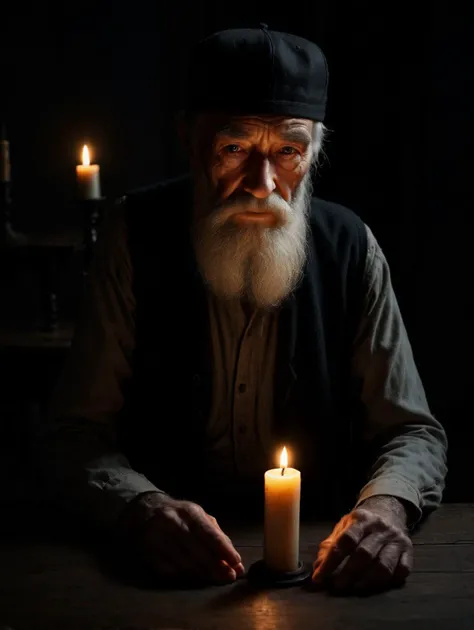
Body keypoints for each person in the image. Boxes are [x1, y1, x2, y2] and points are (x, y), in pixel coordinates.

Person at [38, 25, 447, 594]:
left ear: (315, 151)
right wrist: (139, 506)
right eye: (234, 149)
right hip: (165, 576)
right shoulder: (135, 236)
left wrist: (387, 509)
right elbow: (71, 433)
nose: (261, 184)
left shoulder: (351, 246)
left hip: (320, 571)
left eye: (287, 152)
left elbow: (413, 431)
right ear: (188, 138)